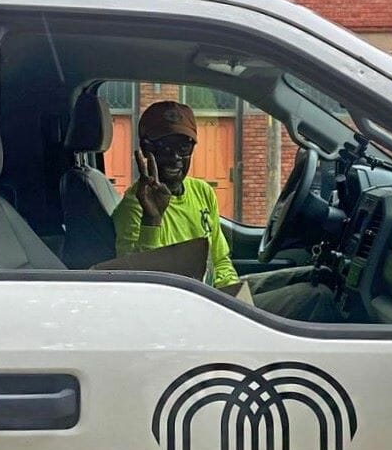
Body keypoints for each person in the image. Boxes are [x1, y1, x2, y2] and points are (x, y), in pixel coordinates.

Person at [112, 101, 337, 322]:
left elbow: (219, 259)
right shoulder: (135, 207)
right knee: (319, 296)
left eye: (184, 147)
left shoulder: (201, 191)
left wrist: (233, 297)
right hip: (189, 311)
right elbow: (138, 285)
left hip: (218, 296)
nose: (174, 157)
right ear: (145, 149)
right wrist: (153, 218)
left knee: (321, 275)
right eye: (163, 147)